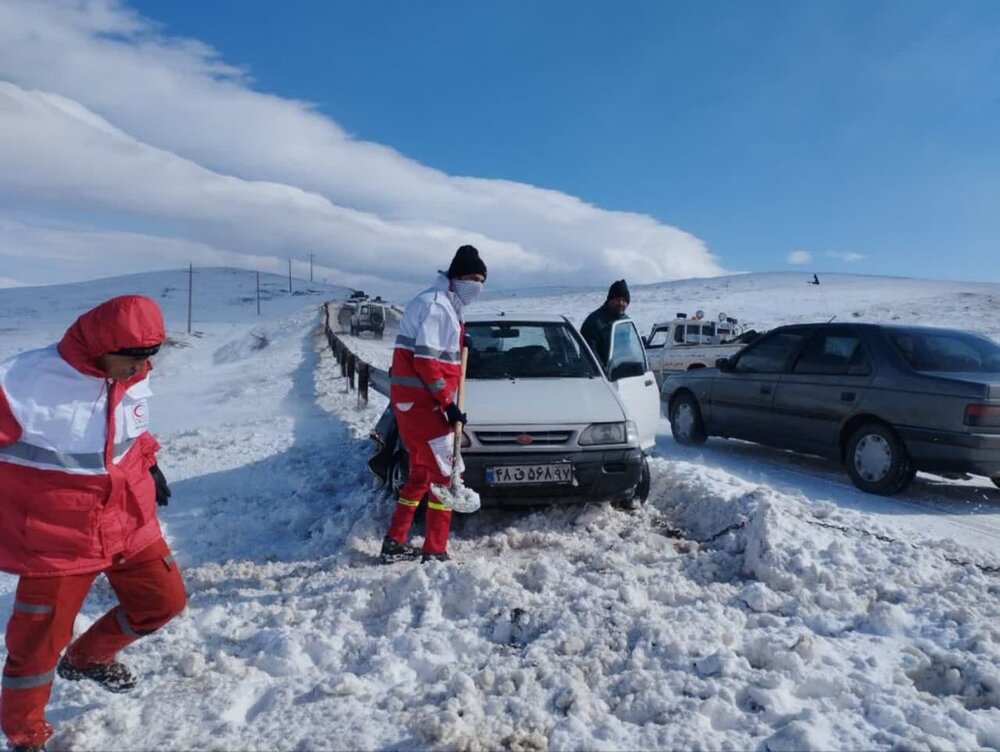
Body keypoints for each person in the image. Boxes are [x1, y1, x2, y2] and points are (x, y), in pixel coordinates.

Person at [0, 295, 186, 752]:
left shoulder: (133, 372)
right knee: (37, 648)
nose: (138, 370)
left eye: (147, 359)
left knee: (162, 602)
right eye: (131, 359)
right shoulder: (22, 382)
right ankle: (26, 737)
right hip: (56, 537)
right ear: (103, 344)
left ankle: (87, 657)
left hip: (128, 518)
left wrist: (150, 461)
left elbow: (132, 431)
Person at [379, 245, 487, 564]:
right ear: (455, 276)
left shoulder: (443, 304)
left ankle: (395, 542)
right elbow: (426, 362)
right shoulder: (437, 305)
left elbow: (437, 352)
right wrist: (446, 403)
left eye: (482, 280)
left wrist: (460, 339)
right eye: (472, 278)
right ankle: (435, 549)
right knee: (445, 476)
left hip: (415, 405)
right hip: (424, 405)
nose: (477, 285)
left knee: (421, 476)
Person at [581, 279, 631, 371]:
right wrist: (603, 371)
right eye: (618, 299)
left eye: (624, 300)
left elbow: (627, 349)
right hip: (601, 375)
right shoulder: (594, 321)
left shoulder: (625, 321)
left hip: (622, 373)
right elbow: (589, 352)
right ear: (610, 300)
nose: (621, 303)